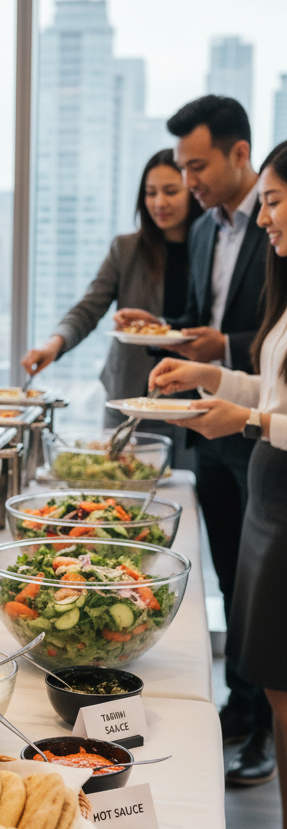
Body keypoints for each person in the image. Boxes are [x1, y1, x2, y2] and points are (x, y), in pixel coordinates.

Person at [148, 140, 287, 829]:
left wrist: (254, 419)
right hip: (274, 494)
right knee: (275, 688)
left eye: (272, 200)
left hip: (286, 495)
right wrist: (211, 381)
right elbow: (268, 388)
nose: (260, 215)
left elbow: (272, 409)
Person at [115, 96, 270, 784]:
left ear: (241, 154)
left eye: (198, 165)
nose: (190, 180)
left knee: (263, 591)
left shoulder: (277, 224)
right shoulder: (206, 230)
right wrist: (167, 329)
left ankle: (262, 727)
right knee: (228, 578)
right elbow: (196, 320)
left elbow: (270, 340)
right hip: (210, 430)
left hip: (263, 430)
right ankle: (239, 707)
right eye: (182, 166)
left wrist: (223, 348)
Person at [21, 148, 202, 466]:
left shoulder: (210, 249)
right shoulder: (127, 249)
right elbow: (89, 307)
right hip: (131, 394)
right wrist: (53, 345)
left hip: (193, 400)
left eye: (171, 191)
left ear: (192, 190)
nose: (159, 202)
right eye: (150, 193)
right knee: (122, 485)